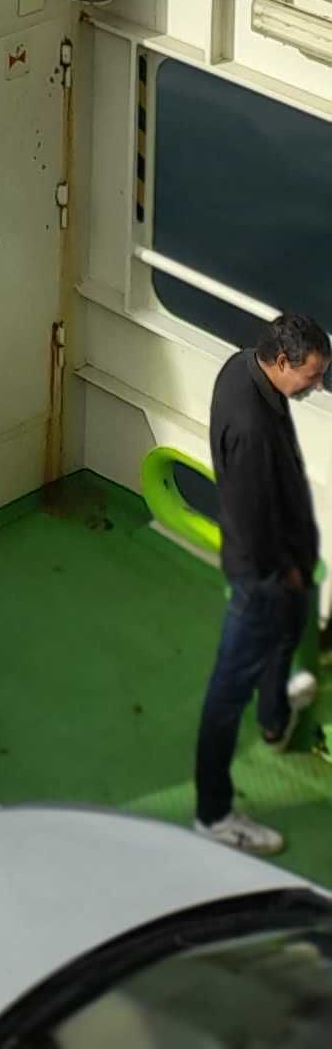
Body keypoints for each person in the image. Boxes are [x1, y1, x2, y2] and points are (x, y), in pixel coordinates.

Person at [194, 309, 331, 852]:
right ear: (281, 361)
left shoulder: (242, 368)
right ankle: (214, 814)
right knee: (227, 695)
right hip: (262, 577)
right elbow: (253, 521)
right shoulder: (249, 429)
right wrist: (288, 570)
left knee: (288, 632)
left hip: (281, 567)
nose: (318, 386)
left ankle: (275, 720)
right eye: (313, 376)